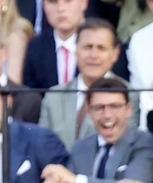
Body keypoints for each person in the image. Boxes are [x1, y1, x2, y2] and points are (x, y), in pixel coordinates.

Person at [42, 77, 153, 183]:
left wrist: (77, 180)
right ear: (89, 112)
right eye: (99, 108)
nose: (107, 115)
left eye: (115, 106)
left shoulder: (145, 144)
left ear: (128, 110)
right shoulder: (80, 148)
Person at [40, 19, 122, 151]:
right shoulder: (54, 95)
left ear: (115, 54)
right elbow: (42, 146)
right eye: (87, 47)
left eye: (101, 48)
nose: (93, 55)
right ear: (75, 50)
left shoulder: (129, 94)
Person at [22, 0, 91, 92]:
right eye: (53, 1)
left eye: (68, 0)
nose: (60, 8)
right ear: (44, 5)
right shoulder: (36, 47)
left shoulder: (102, 43)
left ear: (84, 2)